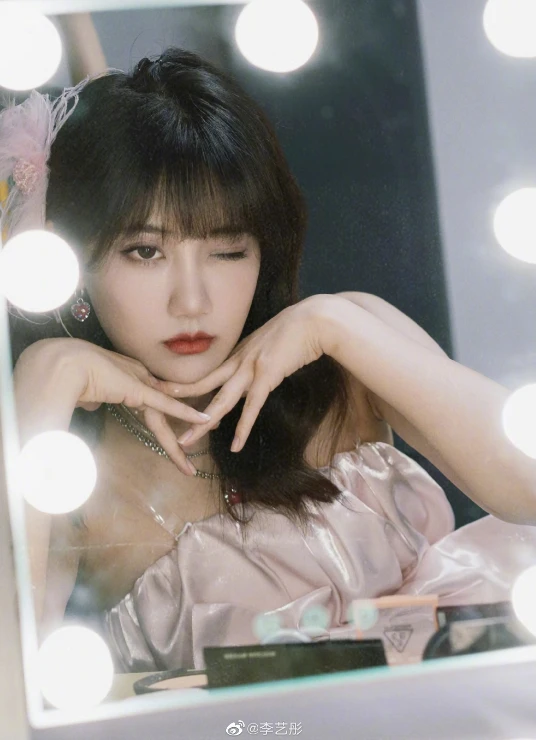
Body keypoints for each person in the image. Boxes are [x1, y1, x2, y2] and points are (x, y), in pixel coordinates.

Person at [3, 48, 536, 674]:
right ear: (76, 264)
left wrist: (332, 323)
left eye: (228, 250)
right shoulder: (64, 467)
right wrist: (42, 382)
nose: (192, 302)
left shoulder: (344, 354)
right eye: (146, 252)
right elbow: (12, 694)